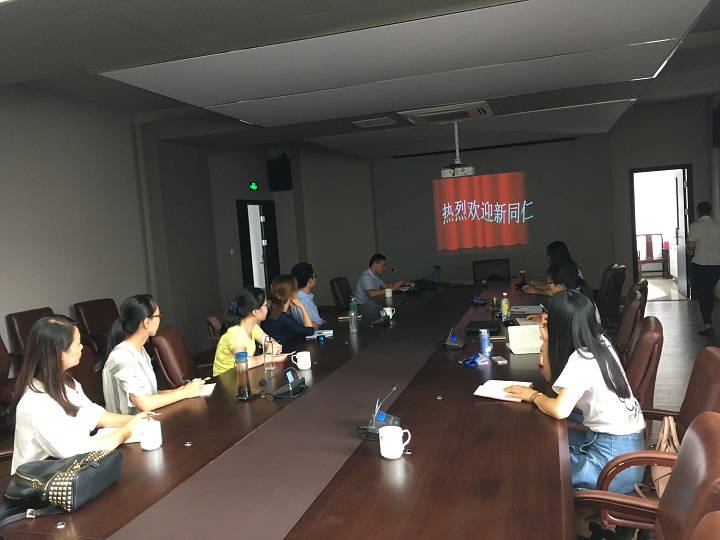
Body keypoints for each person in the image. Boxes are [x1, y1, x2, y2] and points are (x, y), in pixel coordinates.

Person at [504, 290, 645, 494]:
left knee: (539, 464)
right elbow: (550, 377)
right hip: (628, 454)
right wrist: (547, 340)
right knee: (547, 441)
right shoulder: (600, 341)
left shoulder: (582, 359)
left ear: (559, 325)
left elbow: (559, 410)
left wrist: (533, 396)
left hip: (613, 467)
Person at [11, 315, 148, 473]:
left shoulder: (65, 382)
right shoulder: (35, 405)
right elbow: (76, 451)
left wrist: (137, 420)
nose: (82, 347)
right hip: (43, 482)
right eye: (77, 343)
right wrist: (127, 431)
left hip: (73, 470)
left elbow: (93, 415)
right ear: (60, 353)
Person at [101, 294, 205, 414]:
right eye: (158, 316)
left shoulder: (140, 350)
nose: (160, 320)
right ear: (147, 322)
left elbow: (150, 393)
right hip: (129, 424)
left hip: (147, 419)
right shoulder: (121, 357)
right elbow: (145, 403)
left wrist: (182, 390)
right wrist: (184, 393)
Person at [213, 288, 280, 376]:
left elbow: (269, 342)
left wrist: (274, 348)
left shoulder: (253, 327)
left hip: (242, 375)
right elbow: (242, 363)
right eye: (266, 305)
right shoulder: (235, 333)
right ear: (255, 312)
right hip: (226, 379)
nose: (268, 307)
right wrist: (267, 356)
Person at [687, 201, 720, 336]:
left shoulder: (695, 226)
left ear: (698, 212)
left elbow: (690, 246)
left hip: (700, 264)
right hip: (717, 264)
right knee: (709, 291)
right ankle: (708, 323)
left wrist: (690, 250)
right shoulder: (717, 226)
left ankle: (708, 325)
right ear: (710, 211)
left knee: (704, 294)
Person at [261, 274, 316, 343]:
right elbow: (310, 331)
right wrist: (302, 307)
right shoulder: (283, 317)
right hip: (286, 348)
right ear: (293, 294)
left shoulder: (269, 313)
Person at [290, 262, 324, 328]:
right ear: (310, 280)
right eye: (315, 276)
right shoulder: (300, 301)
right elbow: (311, 324)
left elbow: (318, 320)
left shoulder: (305, 297)